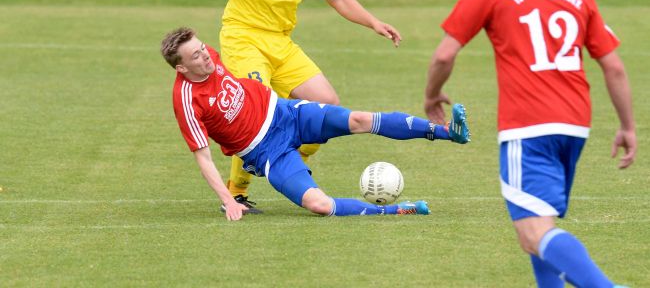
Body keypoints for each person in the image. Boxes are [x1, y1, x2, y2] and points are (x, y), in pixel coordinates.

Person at [424, 0, 636, 288]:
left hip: (528, 125)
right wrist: (628, 126)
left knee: (533, 232)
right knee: (538, 223)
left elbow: (443, 55)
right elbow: (615, 67)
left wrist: (431, 95)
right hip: (575, 124)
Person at [195, 0, 402, 214]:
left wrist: (373, 22)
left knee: (328, 103)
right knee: (255, 111)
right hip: (243, 37)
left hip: (281, 42)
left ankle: (291, 159)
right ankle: (236, 193)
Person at [161, 27, 471, 221]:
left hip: (286, 113)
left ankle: (447, 132)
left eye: (203, 48)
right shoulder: (186, 99)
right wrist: (228, 200)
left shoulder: (209, 57)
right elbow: (203, 157)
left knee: (359, 119)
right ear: (181, 68)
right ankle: (399, 209)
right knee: (318, 204)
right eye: (196, 56)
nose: (206, 56)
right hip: (267, 152)